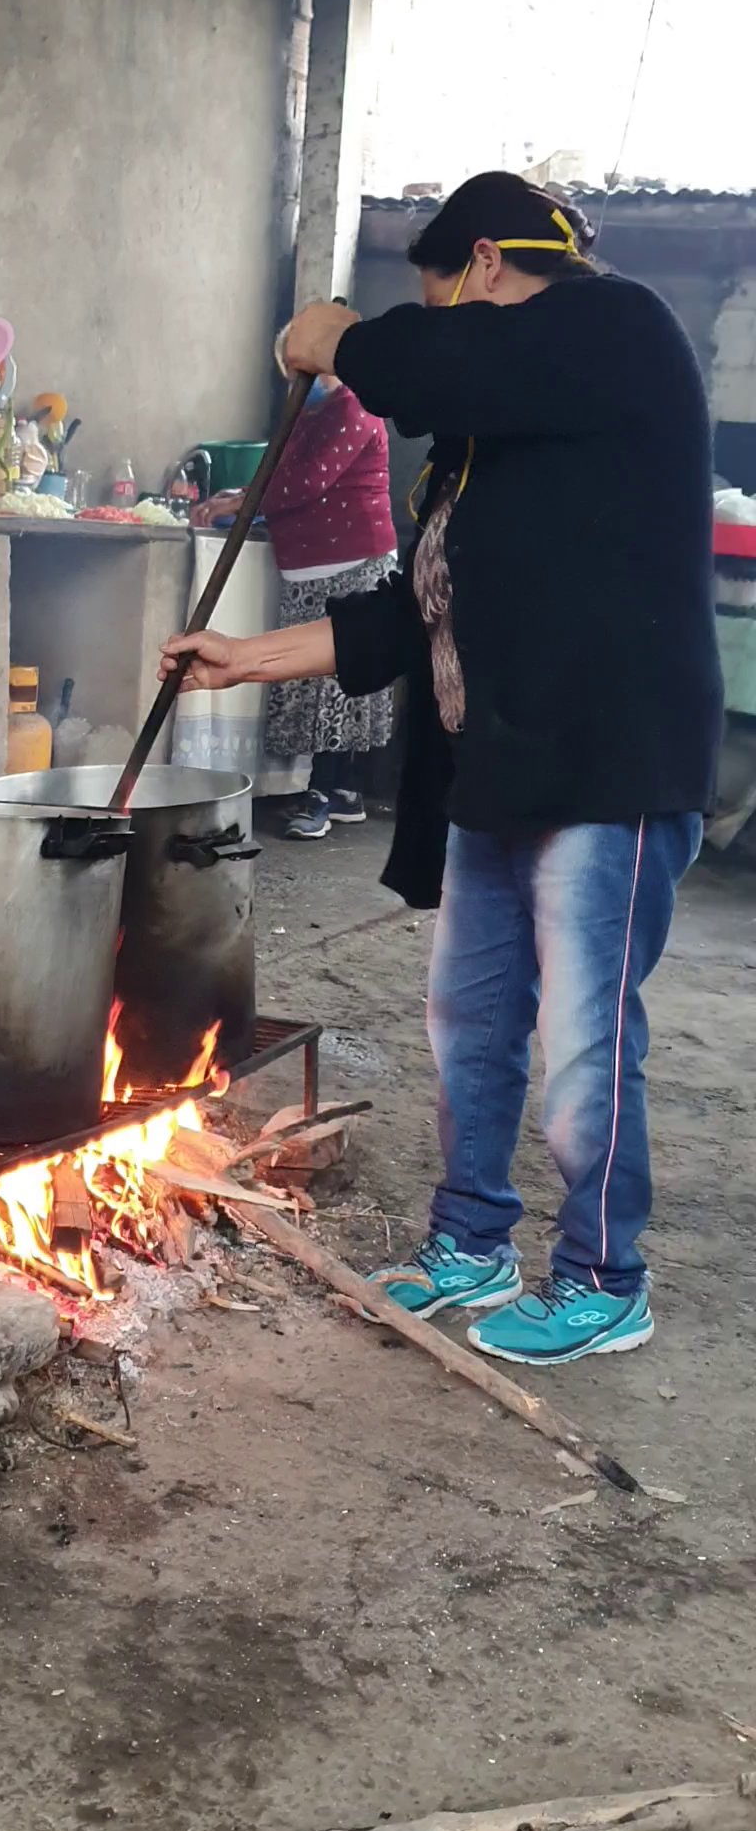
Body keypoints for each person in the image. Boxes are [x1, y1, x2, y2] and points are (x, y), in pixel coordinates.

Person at [162, 171, 723, 1367]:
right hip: (500, 770)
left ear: (479, 267)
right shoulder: (496, 449)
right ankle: (469, 1243)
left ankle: (605, 1276)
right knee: (469, 1023)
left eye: (437, 303)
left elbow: (429, 367)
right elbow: (408, 615)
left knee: (581, 1038)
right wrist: (242, 658)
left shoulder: (615, 328)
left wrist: (335, 337)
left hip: (608, 767)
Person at [195, 375, 398, 839]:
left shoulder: (354, 406)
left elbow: (309, 480)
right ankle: (344, 792)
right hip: (312, 563)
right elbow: (282, 470)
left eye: (304, 367)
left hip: (351, 559)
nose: (297, 379)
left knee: (335, 681)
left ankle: (321, 794)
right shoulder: (312, 413)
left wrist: (244, 501)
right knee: (318, 684)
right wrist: (246, 497)